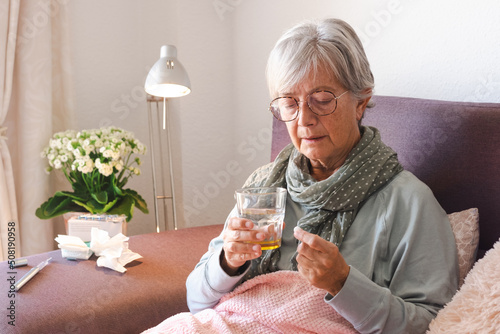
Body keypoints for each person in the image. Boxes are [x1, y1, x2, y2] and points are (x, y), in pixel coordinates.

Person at [186, 18, 458, 333]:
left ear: (361, 101)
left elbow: (434, 325)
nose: (304, 120)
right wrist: (227, 262)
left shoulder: (408, 202)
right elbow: (196, 301)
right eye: (289, 103)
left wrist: (344, 283)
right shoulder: (264, 186)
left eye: (322, 100)